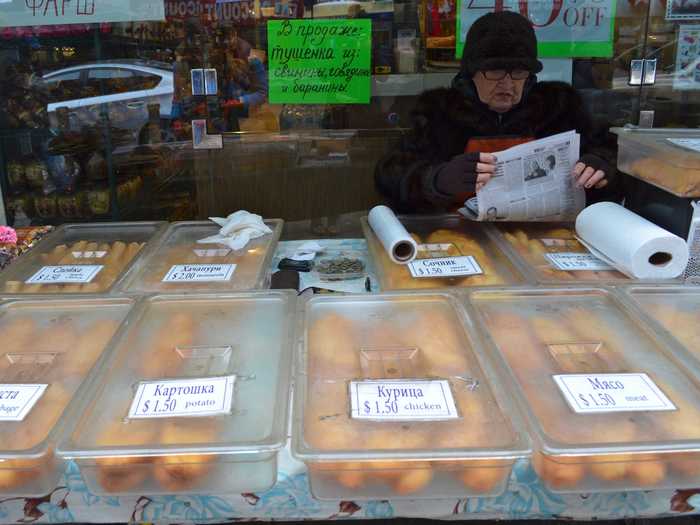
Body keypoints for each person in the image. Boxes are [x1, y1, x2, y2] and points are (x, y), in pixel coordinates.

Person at [374, 11, 619, 212]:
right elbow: (389, 175)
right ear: (471, 74)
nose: (508, 84)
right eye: (494, 72)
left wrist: (601, 165)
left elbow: (611, 155)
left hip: (542, 239)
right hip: (458, 238)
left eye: (519, 72)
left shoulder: (559, 109)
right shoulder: (438, 112)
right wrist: (436, 180)